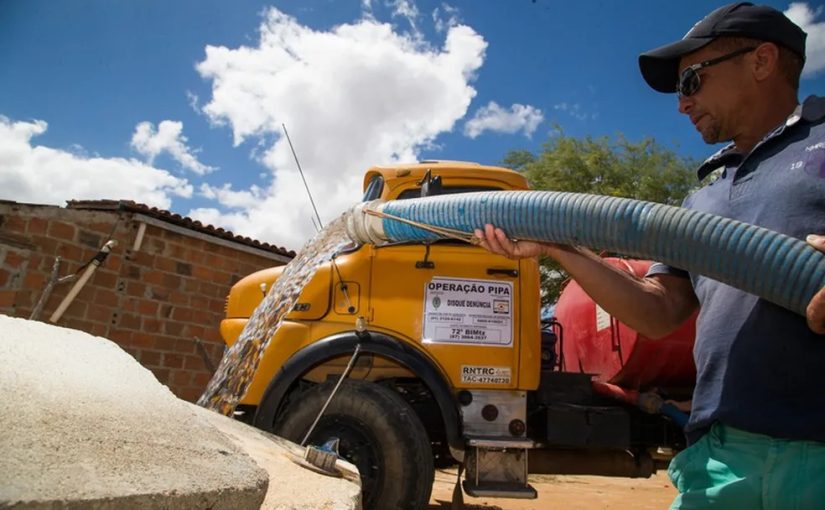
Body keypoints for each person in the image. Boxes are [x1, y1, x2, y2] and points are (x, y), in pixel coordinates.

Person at [475, 3, 825, 509]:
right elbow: (659, 310)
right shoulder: (704, 198)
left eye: (691, 83)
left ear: (762, 61)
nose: (682, 106)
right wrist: (559, 248)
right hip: (720, 458)